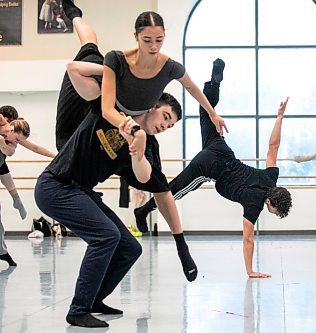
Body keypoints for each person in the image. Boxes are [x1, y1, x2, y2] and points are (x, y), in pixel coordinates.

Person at [33, 18, 198, 329]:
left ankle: (95, 300)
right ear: (150, 106)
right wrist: (111, 71)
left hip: (79, 190)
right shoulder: (106, 106)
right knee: (106, 237)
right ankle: (79, 309)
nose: (165, 125)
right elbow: (74, 68)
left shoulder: (148, 146)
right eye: (165, 116)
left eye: (171, 124)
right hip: (56, 185)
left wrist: (137, 149)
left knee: (130, 247)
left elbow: (151, 181)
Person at [134, 59, 293, 278]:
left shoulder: (271, 176)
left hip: (220, 147)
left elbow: (272, 147)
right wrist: (250, 271)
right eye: (276, 212)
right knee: (173, 191)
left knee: (206, 111)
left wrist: (280, 117)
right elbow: (248, 238)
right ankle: (143, 210)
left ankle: (213, 84)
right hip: (209, 167)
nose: (273, 214)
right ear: (270, 202)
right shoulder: (255, 204)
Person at [60, 1, 227, 159]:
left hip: (116, 91)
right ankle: (74, 14)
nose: (154, 46)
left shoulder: (171, 67)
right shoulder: (117, 59)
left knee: (90, 43)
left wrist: (213, 114)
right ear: (136, 36)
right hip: (102, 82)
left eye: (159, 40)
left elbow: (191, 88)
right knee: (89, 44)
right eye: (147, 40)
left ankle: (74, 14)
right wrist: (111, 72)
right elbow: (107, 110)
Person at [0, 119, 31, 267]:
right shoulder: (5, 128)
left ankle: (1, 251)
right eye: (17, 139)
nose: (17, 142)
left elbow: (10, 152)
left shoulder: (10, 143)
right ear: (12, 130)